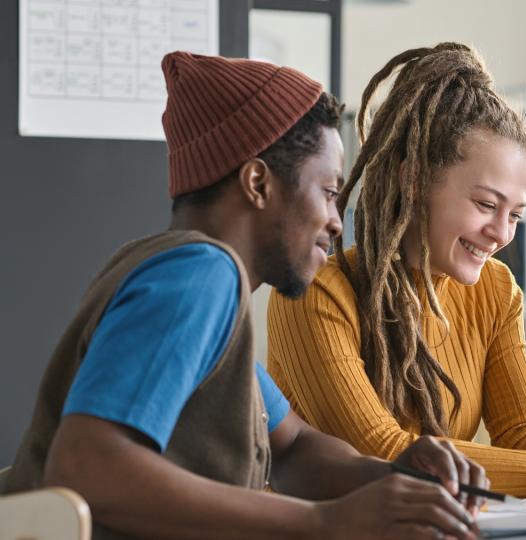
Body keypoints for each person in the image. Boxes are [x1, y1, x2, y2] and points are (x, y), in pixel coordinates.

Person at [4, 51, 486, 540]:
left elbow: (292, 446)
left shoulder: (179, 276)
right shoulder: (201, 275)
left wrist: (397, 477)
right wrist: (327, 522)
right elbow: (87, 465)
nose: (338, 221)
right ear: (257, 183)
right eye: (327, 191)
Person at [266, 42, 526, 498]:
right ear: (415, 180)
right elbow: (383, 451)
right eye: (487, 204)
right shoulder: (318, 295)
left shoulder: (495, 289)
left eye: (515, 215)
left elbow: (525, 432)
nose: (501, 234)